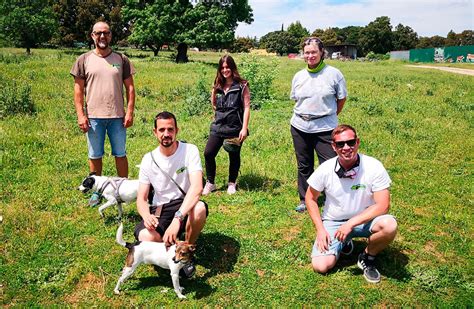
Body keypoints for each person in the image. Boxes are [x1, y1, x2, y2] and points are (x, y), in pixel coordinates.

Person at [306, 124, 397, 283]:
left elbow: (383, 205)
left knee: (389, 225)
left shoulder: (373, 166)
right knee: (320, 266)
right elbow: (310, 198)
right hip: (334, 221)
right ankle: (344, 242)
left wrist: (350, 224)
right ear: (334, 146)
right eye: (340, 144)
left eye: (350, 142)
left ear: (358, 142)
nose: (346, 147)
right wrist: (320, 229)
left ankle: (367, 257)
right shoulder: (325, 169)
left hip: (365, 220)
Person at [134, 111, 208, 277]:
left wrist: (178, 218)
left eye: (170, 129)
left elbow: (197, 187)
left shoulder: (190, 150)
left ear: (177, 130)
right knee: (145, 236)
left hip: (184, 204)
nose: (166, 134)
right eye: (161, 130)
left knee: (200, 209)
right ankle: (171, 250)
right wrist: (146, 215)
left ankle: (187, 250)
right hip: (160, 208)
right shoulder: (148, 159)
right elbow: (141, 198)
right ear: (155, 132)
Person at [71, 21, 135, 182]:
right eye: (98, 33)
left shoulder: (121, 59)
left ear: (110, 35)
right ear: (92, 36)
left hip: (118, 117)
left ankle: (122, 187)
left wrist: (129, 112)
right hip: (94, 117)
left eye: (106, 33)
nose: (102, 36)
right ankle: (96, 190)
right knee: (94, 155)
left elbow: (130, 88)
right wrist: (81, 115)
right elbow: (78, 90)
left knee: (120, 154)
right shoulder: (83, 59)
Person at [290, 37, 347, 212]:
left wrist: (328, 116)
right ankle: (305, 198)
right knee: (304, 164)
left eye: (314, 52)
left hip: (325, 128)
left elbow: (341, 98)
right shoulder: (299, 76)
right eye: (307, 52)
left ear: (322, 52)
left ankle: (333, 200)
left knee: (329, 164)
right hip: (300, 126)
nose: (310, 55)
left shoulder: (334, 74)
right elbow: (296, 99)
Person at [202, 55, 251, 195]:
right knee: (208, 153)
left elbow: (247, 107)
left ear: (232, 67)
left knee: (233, 154)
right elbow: (214, 104)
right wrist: (214, 93)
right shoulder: (218, 85)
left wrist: (244, 128)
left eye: (227, 67)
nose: (225, 70)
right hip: (218, 126)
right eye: (222, 68)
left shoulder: (242, 86)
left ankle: (231, 183)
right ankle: (210, 182)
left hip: (235, 127)